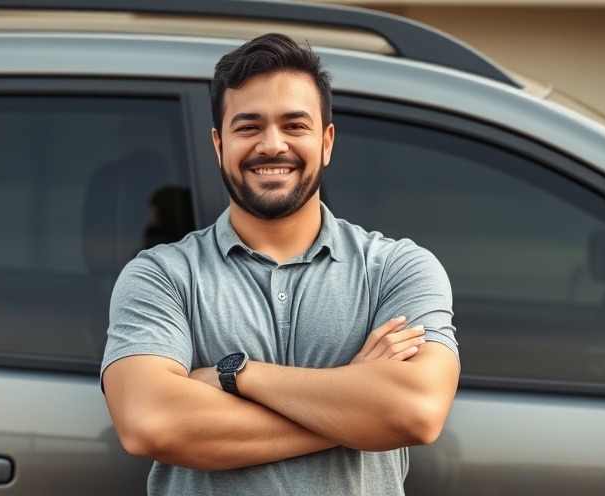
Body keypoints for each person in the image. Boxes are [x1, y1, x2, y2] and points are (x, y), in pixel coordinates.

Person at [101, 33, 460, 496]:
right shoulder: (161, 276)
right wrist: (357, 408)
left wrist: (235, 375)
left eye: (295, 125)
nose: (272, 145)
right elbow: (151, 424)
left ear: (327, 142)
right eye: (248, 126)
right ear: (218, 145)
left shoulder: (398, 269)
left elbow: (416, 411)